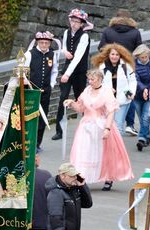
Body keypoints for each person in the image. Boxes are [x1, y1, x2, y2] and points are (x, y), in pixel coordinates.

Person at [66, 69, 134, 190]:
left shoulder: (106, 91)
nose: (90, 82)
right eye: (89, 79)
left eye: (93, 79)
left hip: (101, 125)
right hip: (86, 126)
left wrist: (107, 128)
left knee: (104, 153)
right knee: (83, 152)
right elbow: (80, 108)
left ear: (100, 79)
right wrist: (71, 103)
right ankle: (81, 179)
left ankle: (108, 178)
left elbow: (110, 112)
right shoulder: (87, 91)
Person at [52, 8, 94, 141]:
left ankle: (85, 128)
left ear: (82, 24)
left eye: (77, 22)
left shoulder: (85, 36)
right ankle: (59, 130)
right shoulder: (66, 32)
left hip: (79, 72)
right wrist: (65, 51)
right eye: (72, 20)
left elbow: (78, 58)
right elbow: (64, 46)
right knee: (62, 98)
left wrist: (67, 74)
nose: (74, 24)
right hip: (67, 69)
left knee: (81, 99)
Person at [93, 44, 137, 140]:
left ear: (120, 56)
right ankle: (107, 147)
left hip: (123, 101)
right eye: (112, 54)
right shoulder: (102, 67)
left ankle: (116, 150)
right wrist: (107, 89)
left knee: (118, 127)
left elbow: (133, 80)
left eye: (117, 55)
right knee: (106, 125)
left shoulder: (126, 66)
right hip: (107, 102)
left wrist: (131, 92)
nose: (114, 57)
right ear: (109, 54)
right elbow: (98, 82)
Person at [25, 31, 59, 151]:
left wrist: (51, 84)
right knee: (30, 117)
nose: (44, 45)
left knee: (42, 118)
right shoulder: (30, 54)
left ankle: (37, 144)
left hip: (45, 91)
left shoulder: (52, 54)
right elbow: (23, 71)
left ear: (49, 43)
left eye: (46, 43)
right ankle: (27, 143)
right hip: (31, 92)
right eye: (41, 43)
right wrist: (26, 84)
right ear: (37, 43)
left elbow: (55, 70)